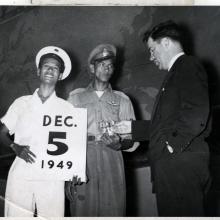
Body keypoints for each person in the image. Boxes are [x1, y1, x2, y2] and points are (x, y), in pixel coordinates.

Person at [113, 20, 211, 216]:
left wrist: (171, 145)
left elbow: (196, 112)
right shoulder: (175, 74)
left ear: (165, 43)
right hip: (173, 169)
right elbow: (165, 124)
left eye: (152, 49)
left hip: (180, 168)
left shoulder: (187, 65)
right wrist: (131, 128)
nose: (151, 57)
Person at [66, 44, 139, 216]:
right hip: (83, 158)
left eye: (110, 65)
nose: (107, 69)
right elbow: (67, 138)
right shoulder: (75, 98)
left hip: (112, 157)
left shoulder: (123, 100)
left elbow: (133, 138)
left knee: (113, 209)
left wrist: (119, 144)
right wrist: (69, 172)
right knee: (82, 210)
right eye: (102, 64)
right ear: (92, 67)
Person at [0, 46, 73, 217]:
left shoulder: (68, 108)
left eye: (55, 68)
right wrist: (15, 147)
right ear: (38, 71)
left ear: (61, 75)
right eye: (46, 66)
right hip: (21, 172)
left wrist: (72, 174)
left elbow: (73, 147)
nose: (50, 70)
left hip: (53, 176)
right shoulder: (21, 103)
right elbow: (1, 133)